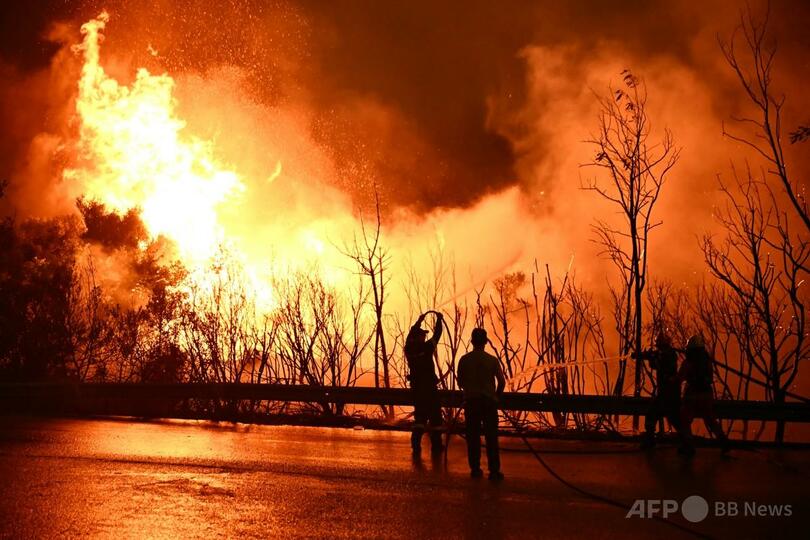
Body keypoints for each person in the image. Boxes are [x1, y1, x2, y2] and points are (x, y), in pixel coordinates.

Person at [457, 328, 506, 480]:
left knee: (473, 437)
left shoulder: (464, 360)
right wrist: (496, 397)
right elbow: (502, 382)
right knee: (491, 437)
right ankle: (494, 471)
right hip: (489, 403)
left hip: (472, 403)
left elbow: (460, 382)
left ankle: (475, 469)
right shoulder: (492, 360)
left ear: (472, 342)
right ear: (486, 342)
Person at [677, 334, 730, 457]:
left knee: (684, 419)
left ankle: (688, 446)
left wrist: (673, 382)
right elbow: (709, 378)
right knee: (710, 420)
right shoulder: (707, 362)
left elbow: (680, 378)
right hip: (706, 395)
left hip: (692, 395)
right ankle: (724, 442)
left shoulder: (688, 362)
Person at [632, 331, 682, 448]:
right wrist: (644, 356)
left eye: (660, 345)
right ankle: (685, 441)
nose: (658, 348)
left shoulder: (670, 355)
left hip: (669, 393)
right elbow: (655, 363)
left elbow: (661, 366)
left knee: (656, 414)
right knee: (660, 415)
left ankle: (685, 441)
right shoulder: (663, 354)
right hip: (666, 392)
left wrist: (653, 359)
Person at [404, 311, 444, 457]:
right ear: (418, 337)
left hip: (417, 388)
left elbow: (410, 335)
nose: (424, 337)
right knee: (435, 417)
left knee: (420, 417)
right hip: (430, 388)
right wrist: (439, 320)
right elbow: (437, 334)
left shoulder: (408, 349)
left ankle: (415, 444)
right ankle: (437, 445)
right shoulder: (427, 348)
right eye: (422, 335)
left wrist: (419, 321)